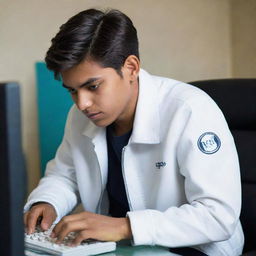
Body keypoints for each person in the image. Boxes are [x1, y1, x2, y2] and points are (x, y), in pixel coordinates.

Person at [24, 8, 244, 256]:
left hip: (194, 248)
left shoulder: (190, 110)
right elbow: (65, 175)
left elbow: (218, 216)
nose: (82, 103)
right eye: (72, 90)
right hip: (122, 248)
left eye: (93, 86)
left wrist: (125, 227)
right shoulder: (80, 116)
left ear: (131, 67)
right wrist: (47, 201)